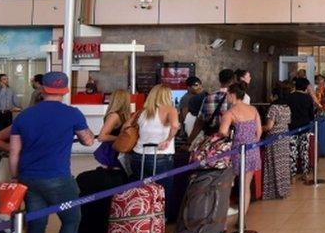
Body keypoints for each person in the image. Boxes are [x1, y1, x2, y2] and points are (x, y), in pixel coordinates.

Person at [9, 71, 95, 233]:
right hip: (58, 178)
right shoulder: (72, 114)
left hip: (28, 178)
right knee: (71, 219)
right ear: (65, 90)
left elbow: (14, 153)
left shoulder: (24, 116)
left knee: (37, 225)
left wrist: (16, 178)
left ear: (43, 89)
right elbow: (87, 141)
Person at [126, 84, 179, 222]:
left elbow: (126, 126)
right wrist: (168, 139)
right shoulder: (170, 109)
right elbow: (175, 125)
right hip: (160, 156)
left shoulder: (142, 111)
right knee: (162, 192)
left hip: (138, 155)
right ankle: (159, 223)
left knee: (142, 191)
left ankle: (141, 220)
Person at [219, 82, 262, 216]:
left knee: (227, 184)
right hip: (252, 150)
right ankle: (242, 218)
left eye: (227, 95)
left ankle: (224, 214)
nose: (226, 97)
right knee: (245, 186)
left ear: (232, 95)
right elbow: (259, 132)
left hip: (236, 152)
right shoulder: (253, 110)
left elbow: (222, 131)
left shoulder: (230, 113)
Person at [262, 82, 294, 200]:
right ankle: (283, 189)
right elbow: (288, 122)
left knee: (273, 163)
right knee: (283, 164)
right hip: (284, 138)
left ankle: (273, 191)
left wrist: (259, 129)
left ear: (275, 96)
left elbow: (269, 126)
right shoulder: (287, 108)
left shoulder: (273, 108)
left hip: (274, 138)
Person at [280, 80, 316, 179]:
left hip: (292, 128)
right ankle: (305, 173)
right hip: (305, 127)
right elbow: (311, 115)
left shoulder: (290, 97)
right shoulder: (308, 98)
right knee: (304, 151)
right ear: (305, 87)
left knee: (292, 151)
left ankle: (292, 175)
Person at [190, 69, 235, 143]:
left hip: (212, 139)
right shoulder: (237, 98)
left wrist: (189, 141)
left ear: (220, 80)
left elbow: (200, 122)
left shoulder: (209, 97)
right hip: (229, 139)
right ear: (233, 80)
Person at [94, 90, 131, 169]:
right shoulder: (114, 116)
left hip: (117, 150)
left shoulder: (123, 115)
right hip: (111, 152)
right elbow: (102, 137)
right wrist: (121, 138)